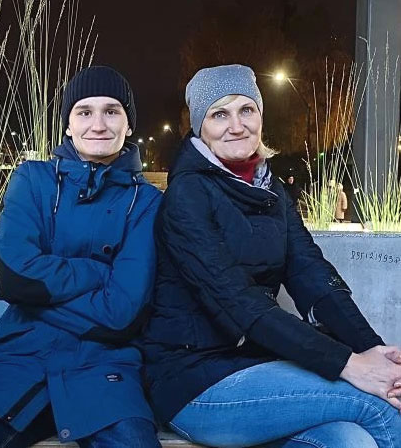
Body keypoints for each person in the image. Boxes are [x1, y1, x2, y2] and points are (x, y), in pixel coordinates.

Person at [139, 64, 401, 448]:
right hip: (194, 380)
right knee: (379, 406)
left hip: (258, 362)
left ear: (261, 116)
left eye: (246, 110)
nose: (236, 126)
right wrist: (348, 364)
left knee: (350, 441)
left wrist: (373, 351)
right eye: (219, 115)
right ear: (199, 127)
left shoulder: (270, 190)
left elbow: (313, 275)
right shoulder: (187, 196)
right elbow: (240, 305)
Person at [0, 66, 162, 448]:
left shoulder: (147, 202)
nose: (98, 124)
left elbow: (122, 312)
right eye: (84, 112)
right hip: (19, 356)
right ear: (68, 125)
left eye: (111, 111)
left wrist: (37, 297)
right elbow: (14, 278)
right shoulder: (32, 180)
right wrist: (98, 272)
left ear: (128, 124)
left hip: (106, 365)